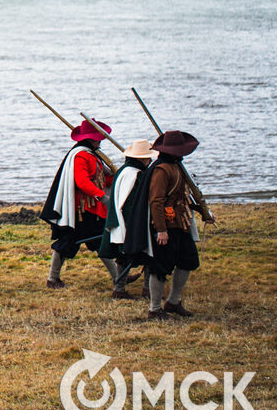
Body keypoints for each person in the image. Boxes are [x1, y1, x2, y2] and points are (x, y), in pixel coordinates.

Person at [123, 130, 213, 320]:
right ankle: (154, 309)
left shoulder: (175, 166)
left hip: (181, 224)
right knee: (160, 267)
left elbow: (182, 196)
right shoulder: (162, 170)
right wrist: (161, 230)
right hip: (166, 226)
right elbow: (156, 201)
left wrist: (202, 211)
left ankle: (173, 301)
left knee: (188, 261)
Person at [40, 119, 119, 290]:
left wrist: (115, 176)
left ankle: (118, 278)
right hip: (81, 210)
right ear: (91, 139)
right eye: (98, 138)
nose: (100, 141)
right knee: (68, 242)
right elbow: (82, 182)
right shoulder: (82, 155)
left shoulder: (92, 155)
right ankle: (52, 279)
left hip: (90, 209)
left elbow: (100, 178)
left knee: (100, 240)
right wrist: (102, 197)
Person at [98, 139, 156, 299]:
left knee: (124, 257)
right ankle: (145, 289)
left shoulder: (125, 170)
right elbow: (131, 203)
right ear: (142, 158)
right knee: (149, 253)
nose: (150, 160)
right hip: (130, 223)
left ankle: (121, 288)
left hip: (121, 222)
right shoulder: (135, 175)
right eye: (148, 157)